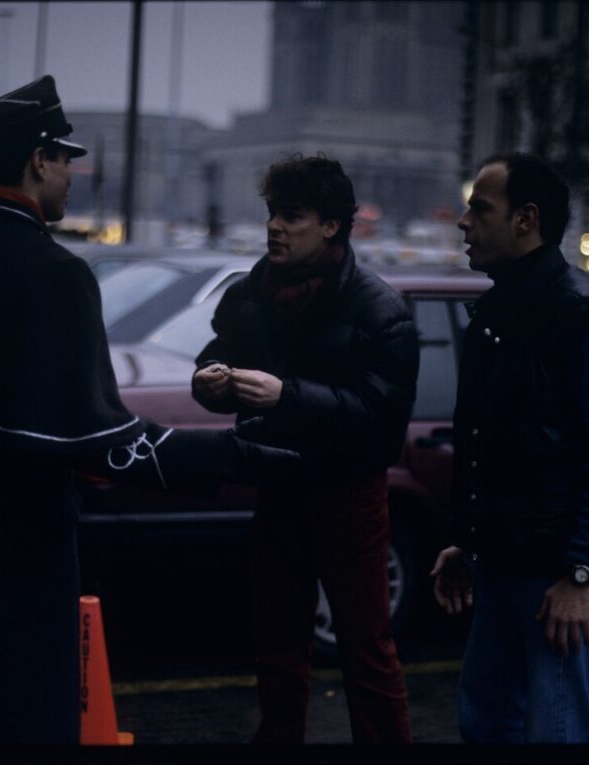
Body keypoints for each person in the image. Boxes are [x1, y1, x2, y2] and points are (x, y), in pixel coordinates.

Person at [0, 75, 297, 745]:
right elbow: (104, 442)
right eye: (67, 158)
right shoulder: (56, 276)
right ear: (38, 159)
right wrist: (234, 455)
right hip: (14, 563)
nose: (75, 172)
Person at [430, 153, 589, 743]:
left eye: (479, 208)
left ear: (525, 219)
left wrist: (583, 575)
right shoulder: (500, 310)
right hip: (507, 562)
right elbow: (494, 443)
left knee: (555, 728)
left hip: (562, 572)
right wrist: (468, 542)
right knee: (486, 720)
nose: (464, 222)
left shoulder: (580, 315)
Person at [191, 155, 418, 744]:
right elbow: (216, 357)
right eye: (272, 213)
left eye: (292, 216)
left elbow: (380, 427)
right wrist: (209, 381)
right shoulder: (252, 292)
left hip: (350, 496)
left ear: (331, 226)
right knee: (277, 646)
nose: (275, 228)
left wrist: (286, 397)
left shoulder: (378, 309)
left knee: (365, 650)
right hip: (278, 489)